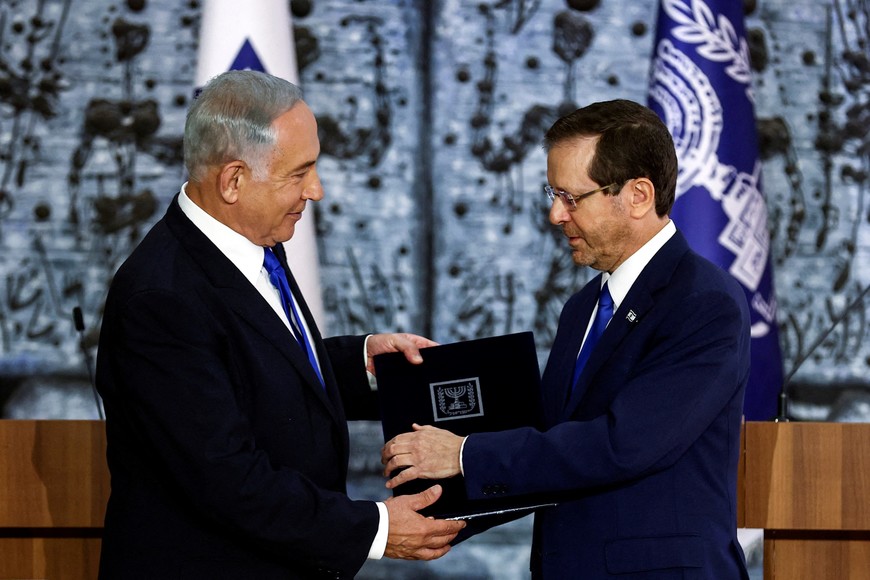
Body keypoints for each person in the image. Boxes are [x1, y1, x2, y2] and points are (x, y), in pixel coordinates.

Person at [95, 70, 464, 579]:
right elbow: (226, 479)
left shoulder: (254, 243)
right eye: (299, 173)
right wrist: (375, 529)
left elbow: (252, 364)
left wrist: (360, 364)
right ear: (233, 181)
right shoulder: (162, 299)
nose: (317, 190)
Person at [381, 99, 751, 579]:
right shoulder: (583, 307)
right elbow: (554, 440)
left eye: (572, 197)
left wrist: (464, 454)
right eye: (552, 193)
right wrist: (440, 515)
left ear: (638, 195)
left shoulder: (703, 303)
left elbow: (623, 444)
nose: (556, 214)